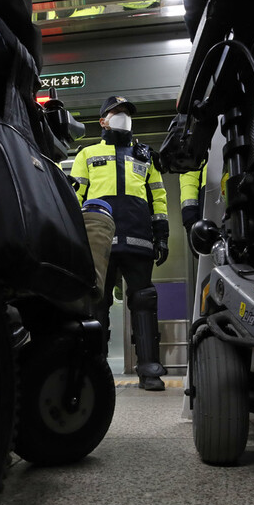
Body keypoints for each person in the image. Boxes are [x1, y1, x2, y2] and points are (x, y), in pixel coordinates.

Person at [70, 95, 169, 391]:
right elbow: (75, 197)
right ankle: (96, 367)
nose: (122, 116)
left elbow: (159, 198)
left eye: (126, 112)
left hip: (139, 238)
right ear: (103, 120)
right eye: (116, 112)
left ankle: (149, 368)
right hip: (99, 241)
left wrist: (161, 235)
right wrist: (74, 236)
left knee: (144, 301)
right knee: (96, 304)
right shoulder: (86, 154)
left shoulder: (145, 156)